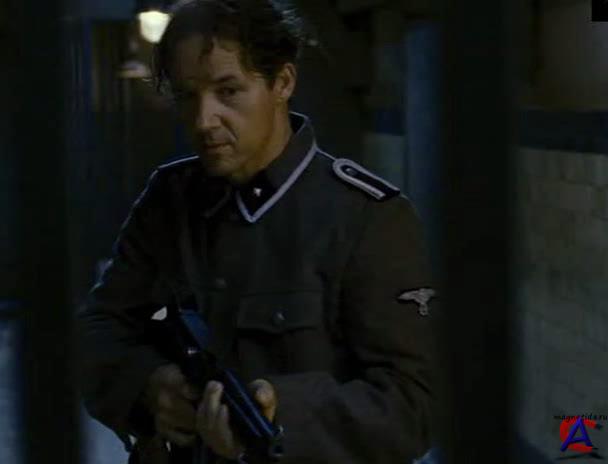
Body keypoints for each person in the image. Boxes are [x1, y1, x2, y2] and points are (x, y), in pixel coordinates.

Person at [76, 0, 437, 463]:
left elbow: (414, 404)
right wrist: (147, 385)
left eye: (228, 91)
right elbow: (99, 327)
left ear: (282, 83)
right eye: (187, 96)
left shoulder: (367, 217)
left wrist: (277, 417)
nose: (203, 120)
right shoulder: (170, 198)